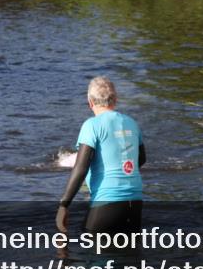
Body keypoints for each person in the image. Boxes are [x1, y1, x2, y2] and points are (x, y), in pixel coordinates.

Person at [57, 77, 145, 235]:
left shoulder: (91, 125)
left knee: (90, 247)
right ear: (115, 100)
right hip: (136, 201)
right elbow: (142, 158)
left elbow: (80, 168)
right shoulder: (131, 122)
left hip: (106, 201)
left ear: (90, 102)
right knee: (130, 255)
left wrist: (64, 205)